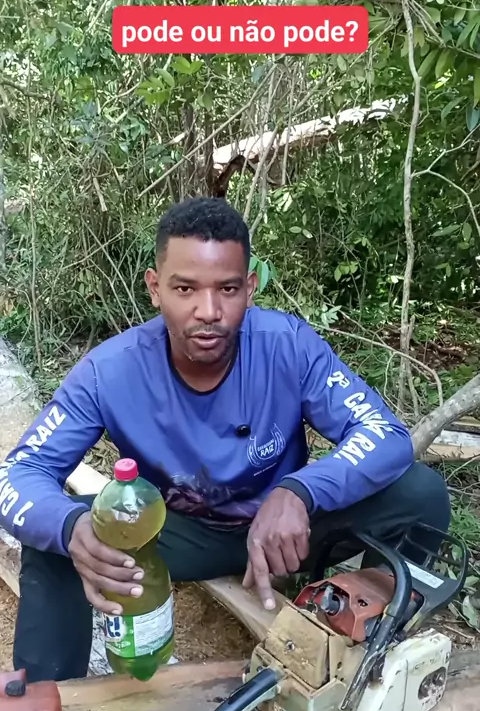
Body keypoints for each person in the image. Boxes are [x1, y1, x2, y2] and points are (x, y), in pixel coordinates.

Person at [0, 197, 450, 684]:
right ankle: (47, 704)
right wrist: (71, 527)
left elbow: (384, 434)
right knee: (55, 537)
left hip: (289, 532)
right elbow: (19, 475)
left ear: (250, 288)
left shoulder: (287, 345)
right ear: (155, 288)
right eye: (185, 288)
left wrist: (300, 491)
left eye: (228, 289)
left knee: (420, 493)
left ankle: (379, 640)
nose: (208, 311)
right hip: (178, 532)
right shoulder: (109, 371)